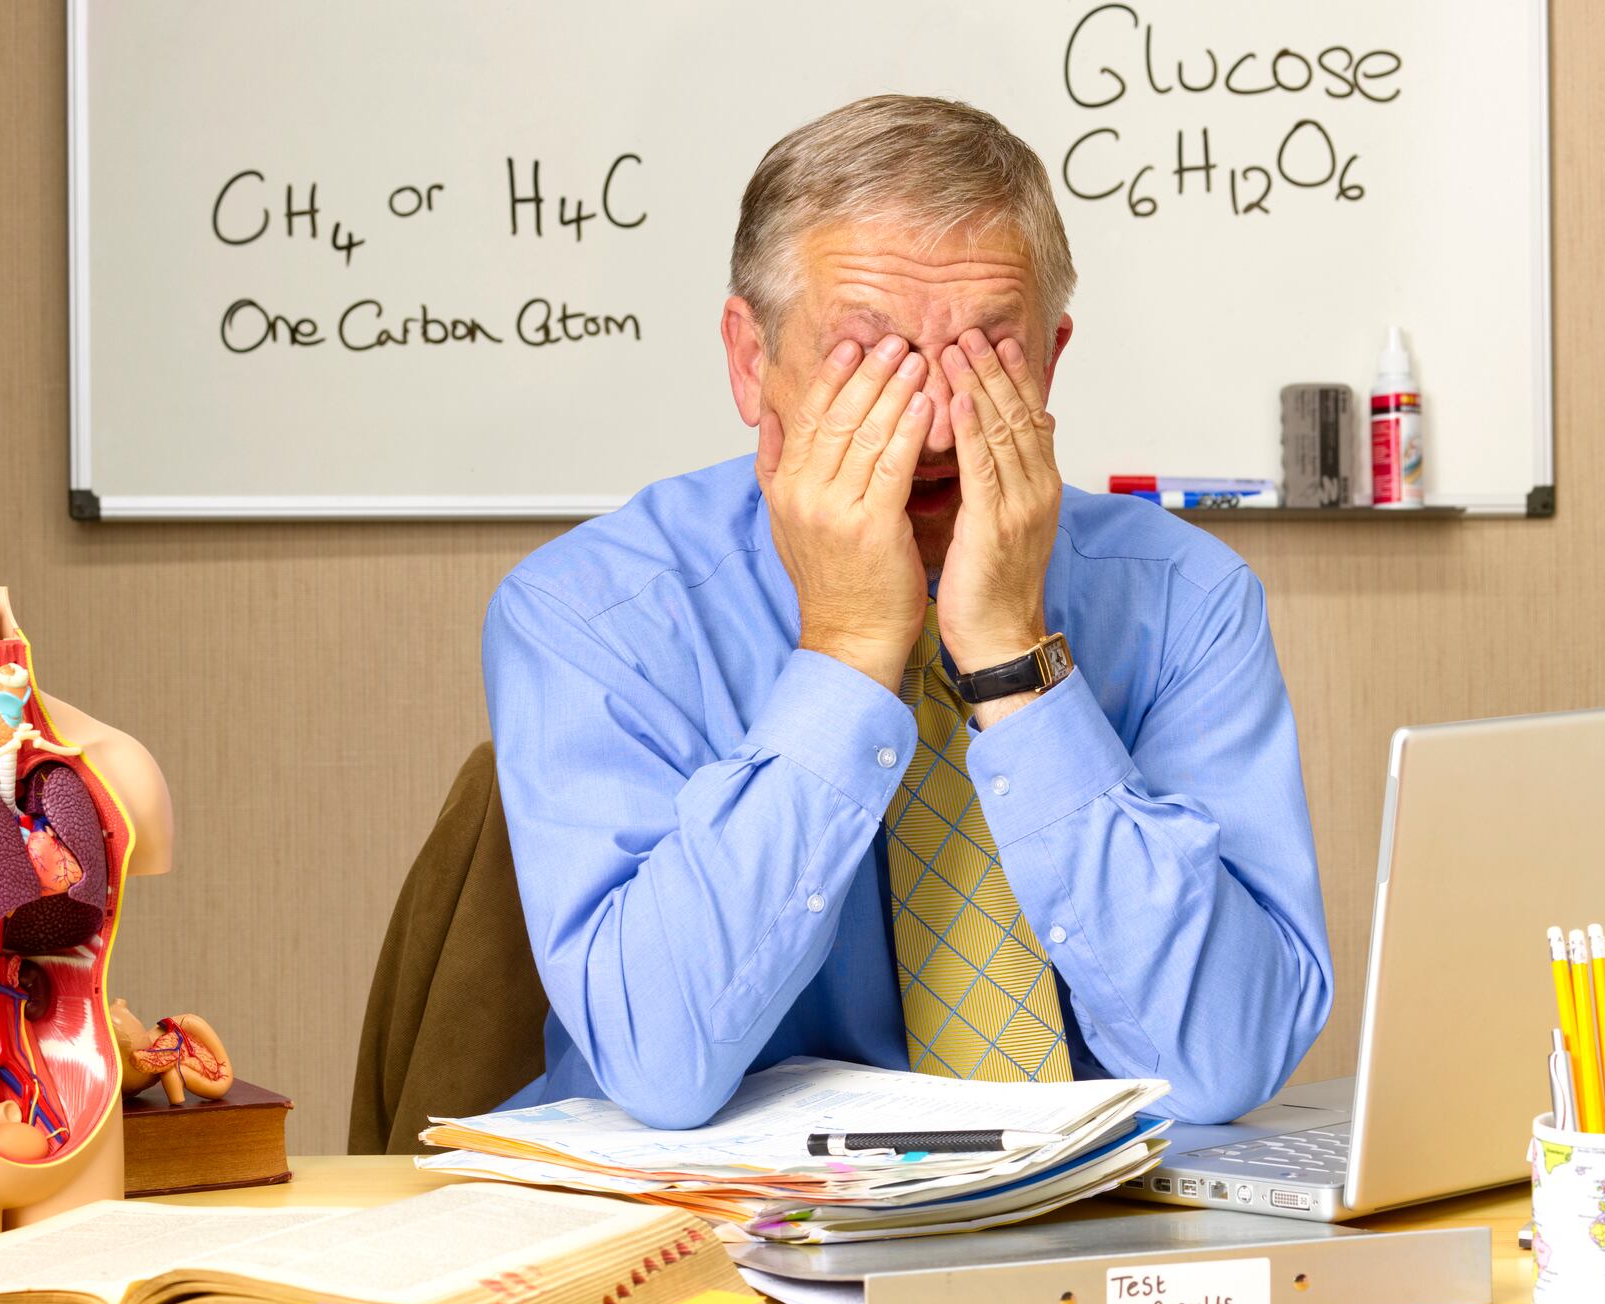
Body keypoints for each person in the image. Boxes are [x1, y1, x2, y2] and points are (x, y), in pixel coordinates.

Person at [482, 95, 1332, 1128]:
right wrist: (843, 656)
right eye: (869, 357)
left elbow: (1224, 1062)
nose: (931, 423)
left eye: (985, 355)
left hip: (1080, 1228)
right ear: (751, 360)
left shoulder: (1186, 599)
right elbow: (659, 1066)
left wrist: (1013, 659)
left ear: (1052, 355)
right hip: (724, 1240)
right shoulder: (587, 613)